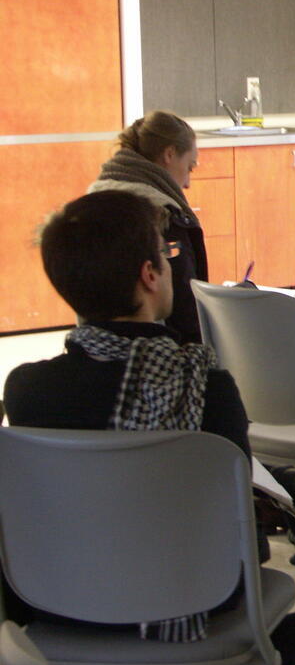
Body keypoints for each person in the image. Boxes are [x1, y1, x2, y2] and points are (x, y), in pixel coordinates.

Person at [3, 190, 253, 641]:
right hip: (197, 597)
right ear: (150, 275)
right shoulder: (208, 387)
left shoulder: (26, 391)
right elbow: (236, 515)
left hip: (56, 601)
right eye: (166, 252)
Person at [88, 111, 207, 344]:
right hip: (156, 349)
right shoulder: (162, 215)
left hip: (97, 346)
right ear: (169, 154)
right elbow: (184, 306)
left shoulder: (94, 199)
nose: (187, 183)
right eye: (190, 167)